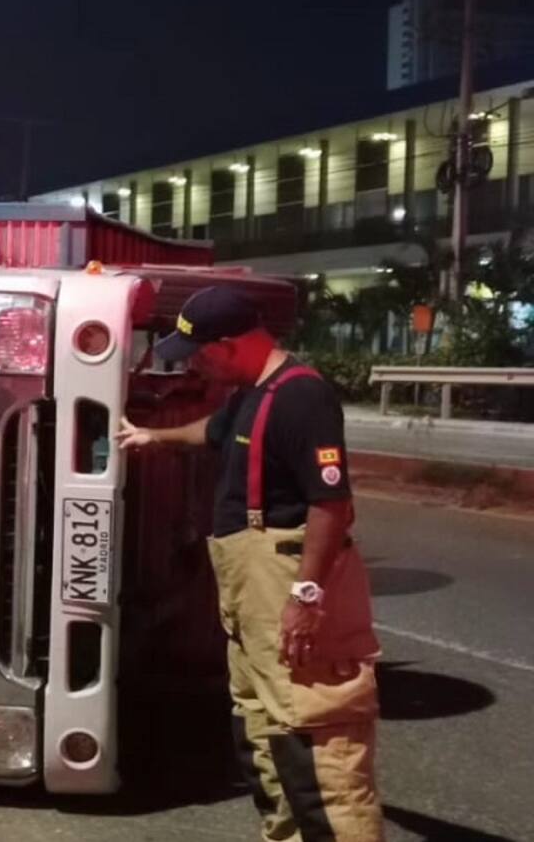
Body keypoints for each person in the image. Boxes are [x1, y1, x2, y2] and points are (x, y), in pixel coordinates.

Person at [117, 286, 382, 842]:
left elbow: (331, 503)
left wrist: (307, 596)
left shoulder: (300, 398)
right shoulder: (251, 394)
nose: (193, 363)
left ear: (231, 344)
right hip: (251, 583)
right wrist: (151, 436)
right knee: (262, 731)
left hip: (284, 576)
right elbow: (211, 432)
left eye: (199, 352)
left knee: (314, 743)